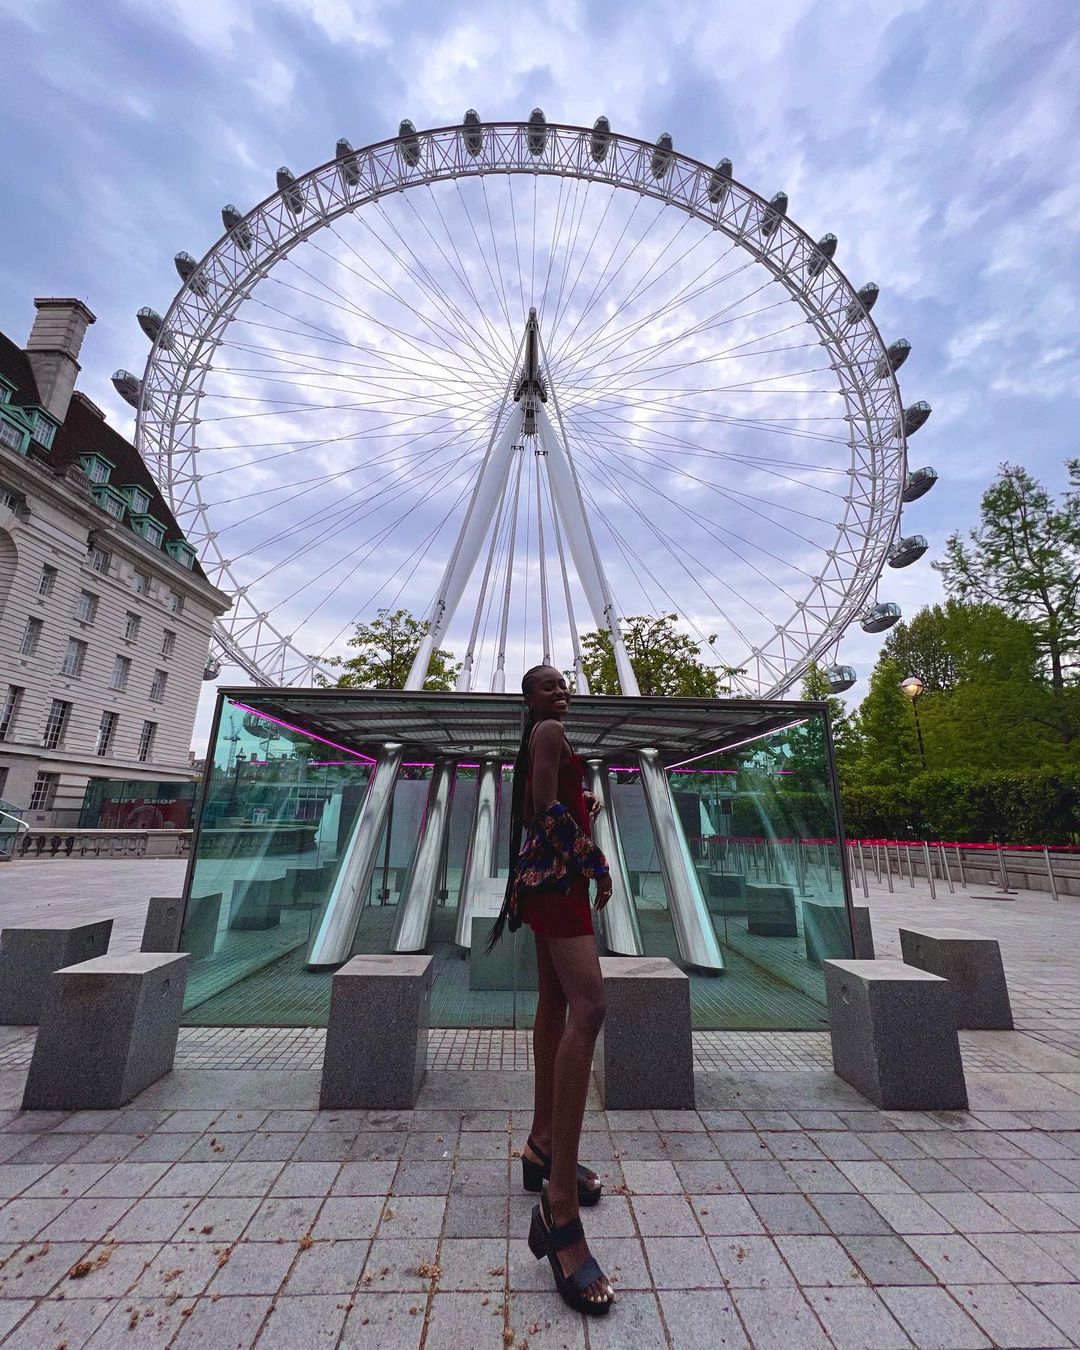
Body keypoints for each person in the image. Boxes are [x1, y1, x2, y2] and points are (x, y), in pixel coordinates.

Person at [488, 664, 615, 1315]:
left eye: (565, 684)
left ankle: (542, 1144)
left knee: (557, 1003)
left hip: (546, 881)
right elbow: (542, 809)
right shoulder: (548, 732)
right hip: (561, 883)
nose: (561, 692)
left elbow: (545, 803)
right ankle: (557, 1207)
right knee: (590, 1008)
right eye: (547, 685)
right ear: (528, 698)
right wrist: (594, 859)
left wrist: (581, 804)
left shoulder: (542, 738)